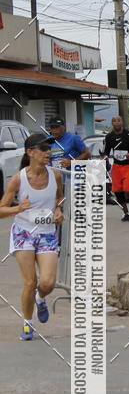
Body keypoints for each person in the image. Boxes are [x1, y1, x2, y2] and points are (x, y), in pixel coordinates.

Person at [0, 133, 64, 340]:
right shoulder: (18, 179)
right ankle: (27, 323)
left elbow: (59, 198)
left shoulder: (55, 175)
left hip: (46, 234)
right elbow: (1, 210)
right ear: (30, 152)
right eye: (43, 149)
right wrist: (19, 208)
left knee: (47, 283)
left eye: (49, 148)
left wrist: (58, 210)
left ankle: (41, 297)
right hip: (24, 234)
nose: (48, 152)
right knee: (30, 281)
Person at [100, 116, 129, 221]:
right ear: (112, 124)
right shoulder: (109, 137)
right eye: (114, 121)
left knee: (128, 189)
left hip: (127, 166)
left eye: (118, 120)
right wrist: (104, 156)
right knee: (118, 192)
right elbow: (106, 151)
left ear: (122, 122)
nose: (117, 123)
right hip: (116, 167)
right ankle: (126, 213)